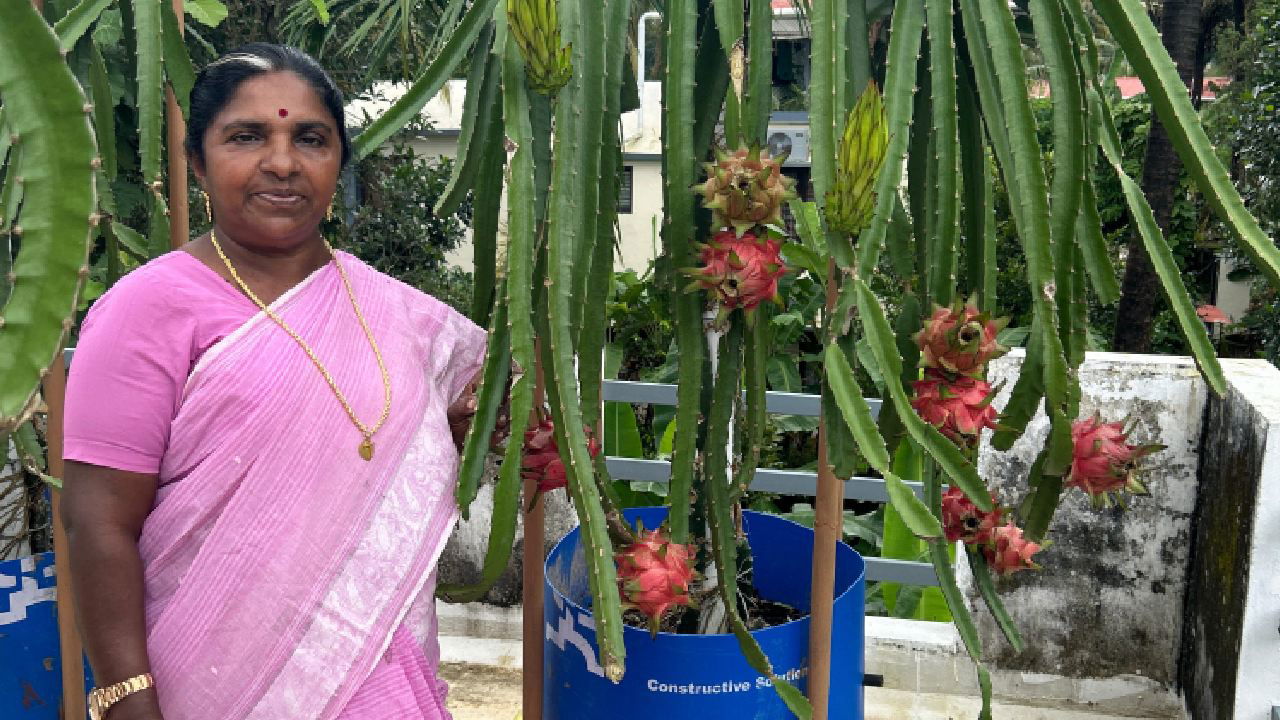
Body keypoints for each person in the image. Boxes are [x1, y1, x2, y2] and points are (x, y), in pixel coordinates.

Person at [61, 43, 488, 720]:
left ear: (339, 159)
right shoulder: (146, 310)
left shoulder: (400, 318)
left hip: (378, 683)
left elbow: (429, 446)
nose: (282, 162)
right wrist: (125, 695)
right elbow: (97, 521)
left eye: (310, 138)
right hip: (205, 685)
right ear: (197, 161)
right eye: (247, 136)